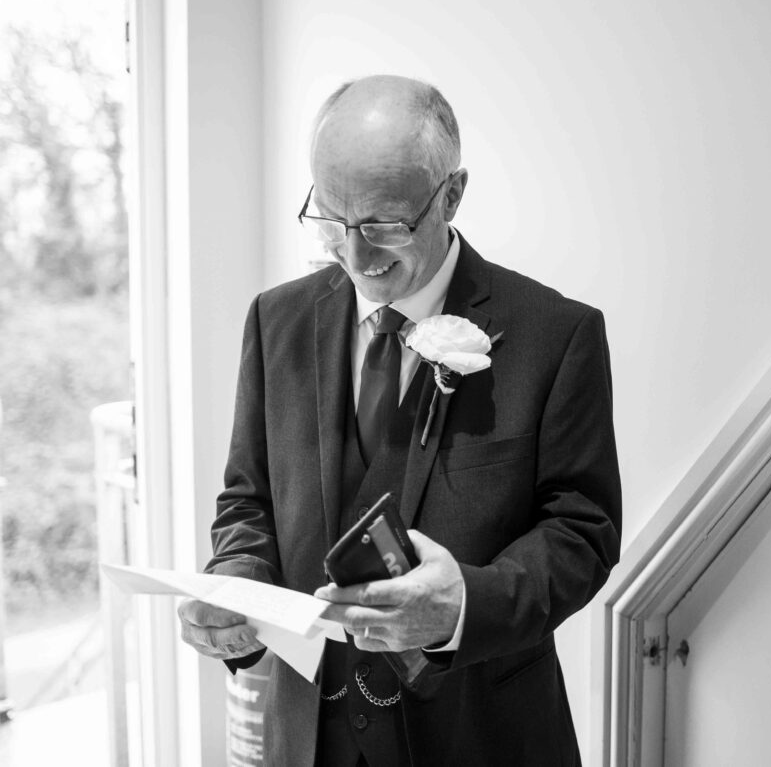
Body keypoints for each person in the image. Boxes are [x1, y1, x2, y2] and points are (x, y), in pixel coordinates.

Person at [177, 74, 621, 766]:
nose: (356, 257)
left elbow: (582, 532)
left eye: (383, 224)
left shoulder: (556, 336)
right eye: (331, 218)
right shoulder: (276, 320)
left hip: (483, 736)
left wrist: (463, 606)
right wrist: (235, 582)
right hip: (306, 738)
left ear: (451, 193)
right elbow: (247, 500)